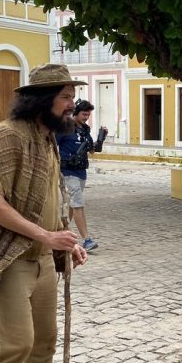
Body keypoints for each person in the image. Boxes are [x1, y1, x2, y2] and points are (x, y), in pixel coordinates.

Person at [0, 64, 88, 363]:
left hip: (44, 261)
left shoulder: (48, 140)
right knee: (18, 343)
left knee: (45, 344)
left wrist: (66, 243)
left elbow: (49, 202)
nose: (72, 105)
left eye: (72, 97)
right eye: (65, 97)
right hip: (8, 258)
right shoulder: (6, 137)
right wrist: (46, 235)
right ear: (42, 99)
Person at [56, 99, 107, 251]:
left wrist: (101, 138)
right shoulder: (65, 127)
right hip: (67, 172)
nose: (86, 117)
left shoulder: (84, 130)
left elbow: (92, 150)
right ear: (76, 113)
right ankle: (86, 239)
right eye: (84, 114)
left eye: (88, 115)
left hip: (81, 172)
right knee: (78, 203)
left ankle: (61, 232)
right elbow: (51, 144)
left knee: (72, 205)